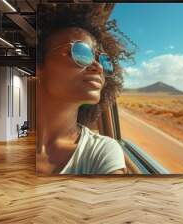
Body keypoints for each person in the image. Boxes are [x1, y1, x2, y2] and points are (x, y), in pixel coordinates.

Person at [36, 4, 133, 175]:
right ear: (38, 65)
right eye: (81, 52)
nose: (98, 67)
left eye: (103, 61)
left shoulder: (102, 152)